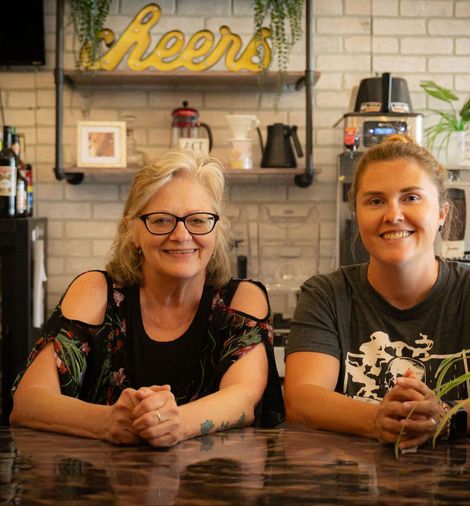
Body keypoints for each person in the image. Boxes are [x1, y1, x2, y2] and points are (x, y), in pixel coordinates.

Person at [11, 150, 284, 447]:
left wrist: (175, 423)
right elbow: (28, 401)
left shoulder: (242, 300)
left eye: (198, 220)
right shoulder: (95, 292)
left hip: (211, 484)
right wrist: (107, 421)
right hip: (99, 487)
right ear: (133, 230)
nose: (181, 235)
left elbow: (243, 399)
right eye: (162, 220)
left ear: (216, 230)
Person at [284, 134, 470, 450]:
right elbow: (302, 399)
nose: (393, 215)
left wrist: (443, 417)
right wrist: (376, 419)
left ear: (441, 213)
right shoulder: (325, 295)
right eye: (375, 201)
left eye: (411, 198)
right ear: (357, 215)